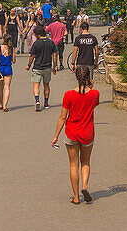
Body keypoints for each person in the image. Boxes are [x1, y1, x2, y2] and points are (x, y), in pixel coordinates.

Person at [50, 65, 100, 205]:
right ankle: (84, 186)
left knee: (73, 165)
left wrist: (56, 136)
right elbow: (94, 105)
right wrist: (91, 86)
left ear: (76, 76)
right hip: (88, 133)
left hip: (72, 132)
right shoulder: (95, 93)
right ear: (89, 77)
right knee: (85, 162)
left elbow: (62, 117)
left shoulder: (68, 95)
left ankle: (76, 197)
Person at [25, 24, 57, 111]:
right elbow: (54, 55)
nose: (34, 36)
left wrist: (28, 65)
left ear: (38, 34)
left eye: (35, 34)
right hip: (47, 67)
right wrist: (55, 66)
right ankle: (46, 103)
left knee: (36, 85)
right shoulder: (51, 43)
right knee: (46, 85)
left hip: (37, 67)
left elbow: (32, 56)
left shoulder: (36, 44)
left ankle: (37, 101)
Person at [0, 34, 15, 111]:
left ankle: (1, 103)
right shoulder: (12, 48)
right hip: (8, 68)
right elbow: (14, 60)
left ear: (3, 40)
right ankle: (5, 105)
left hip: (0, 68)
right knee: (7, 87)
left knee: (0, 88)